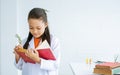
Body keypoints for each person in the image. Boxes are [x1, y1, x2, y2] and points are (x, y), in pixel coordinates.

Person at [13, 8, 60, 75]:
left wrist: (38, 60)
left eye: (38, 28)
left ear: (46, 24)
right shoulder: (24, 42)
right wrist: (17, 56)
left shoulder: (54, 41)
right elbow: (20, 67)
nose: (35, 31)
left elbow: (55, 65)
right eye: (31, 28)